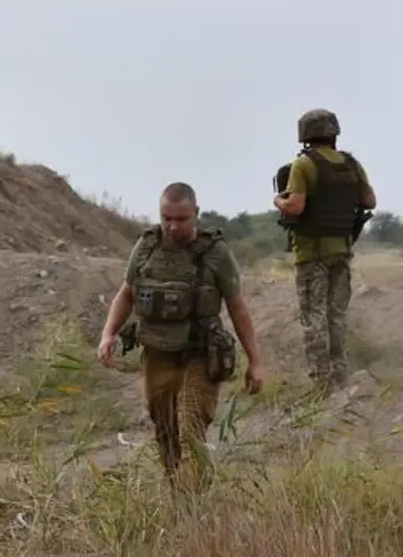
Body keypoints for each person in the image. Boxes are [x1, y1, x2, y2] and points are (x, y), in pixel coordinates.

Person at [97, 182, 264, 492]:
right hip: (157, 354)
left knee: (191, 432)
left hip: (199, 355)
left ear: (195, 213)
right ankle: (180, 496)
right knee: (166, 432)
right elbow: (127, 294)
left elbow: (237, 307)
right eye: (167, 218)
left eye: (181, 219)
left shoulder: (214, 253)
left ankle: (191, 504)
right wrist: (108, 334)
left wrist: (255, 361)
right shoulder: (146, 248)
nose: (173, 226)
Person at [273, 108, 377, 392]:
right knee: (337, 315)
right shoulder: (351, 164)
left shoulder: (304, 164)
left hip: (311, 254)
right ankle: (341, 378)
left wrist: (278, 201)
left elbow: (295, 207)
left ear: (304, 134)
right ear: (334, 133)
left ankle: (322, 385)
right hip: (342, 250)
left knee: (314, 317)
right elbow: (370, 200)